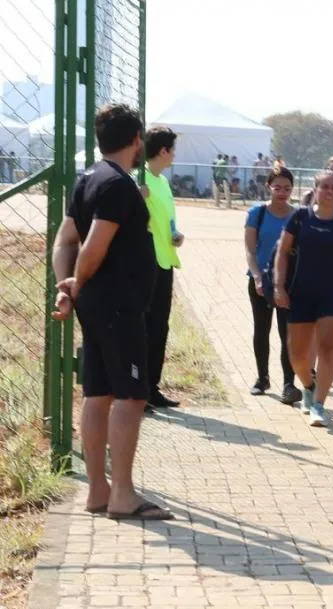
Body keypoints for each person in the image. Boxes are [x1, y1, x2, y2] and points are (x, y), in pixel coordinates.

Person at [51, 103, 172, 520]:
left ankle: (98, 491)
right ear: (137, 140)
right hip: (118, 307)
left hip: (97, 305)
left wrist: (66, 286)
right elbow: (92, 246)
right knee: (131, 397)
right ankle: (122, 494)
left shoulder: (87, 179)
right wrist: (76, 283)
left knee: (97, 393)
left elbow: (64, 241)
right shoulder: (118, 185)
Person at [274, 170, 333, 427]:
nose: (330, 191)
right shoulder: (300, 217)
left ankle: (319, 405)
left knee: (328, 347)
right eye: (325, 187)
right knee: (297, 354)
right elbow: (282, 252)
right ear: (315, 190)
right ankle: (309, 386)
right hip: (301, 293)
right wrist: (279, 286)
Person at [245, 167, 302, 404]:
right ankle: (262, 378)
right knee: (262, 330)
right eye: (277, 187)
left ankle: (289, 383)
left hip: (289, 283)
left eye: (287, 189)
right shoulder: (257, 213)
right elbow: (250, 250)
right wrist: (257, 277)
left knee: (287, 333)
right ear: (268, 186)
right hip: (261, 281)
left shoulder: (298, 216)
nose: (282, 193)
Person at [141, 126, 183, 411]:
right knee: (144, 327)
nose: (174, 155)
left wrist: (175, 234)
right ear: (164, 150)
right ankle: (139, 389)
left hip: (165, 260)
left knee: (159, 326)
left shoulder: (163, 182)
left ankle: (152, 387)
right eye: (173, 149)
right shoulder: (139, 179)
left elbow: (165, 220)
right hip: (146, 262)